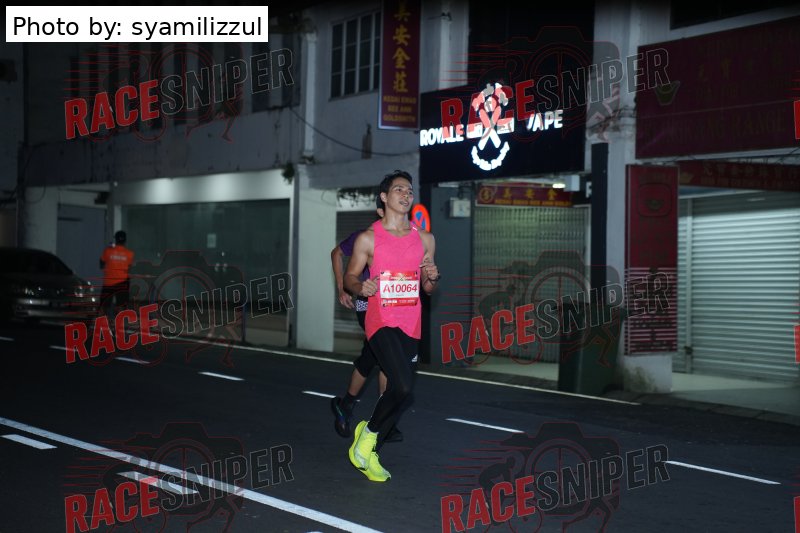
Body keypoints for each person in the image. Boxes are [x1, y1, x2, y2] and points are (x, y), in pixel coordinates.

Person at [344, 170, 440, 482]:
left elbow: (427, 289)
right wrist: (360, 287)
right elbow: (350, 276)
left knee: (400, 393)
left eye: (409, 190)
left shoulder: (425, 239)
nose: (406, 194)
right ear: (384, 197)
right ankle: (368, 438)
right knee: (403, 385)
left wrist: (432, 277)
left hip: (411, 323)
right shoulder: (368, 238)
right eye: (399, 189)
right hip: (380, 320)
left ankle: (369, 448)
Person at [330, 198, 403, 443]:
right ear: (381, 212)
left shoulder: (403, 239)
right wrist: (342, 287)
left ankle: (350, 406)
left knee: (377, 358)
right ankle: (379, 418)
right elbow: (336, 253)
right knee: (382, 357)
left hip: (392, 307)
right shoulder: (364, 237)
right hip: (366, 304)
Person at [99, 230, 134, 318]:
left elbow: (101, 264)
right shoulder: (130, 254)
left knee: (104, 306)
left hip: (109, 282)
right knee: (121, 306)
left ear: (115, 239)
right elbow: (129, 268)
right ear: (125, 240)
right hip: (123, 282)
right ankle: (119, 322)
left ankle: (104, 322)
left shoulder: (107, 251)